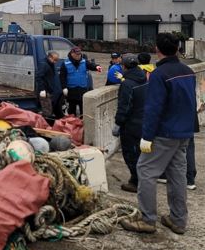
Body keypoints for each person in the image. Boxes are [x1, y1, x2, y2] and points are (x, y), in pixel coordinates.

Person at [121, 33, 196, 235]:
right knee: (177, 174)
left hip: (165, 132)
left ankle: (147, 220)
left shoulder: (159, 74)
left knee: (145, 170)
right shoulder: (188, 71)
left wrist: (147, 136)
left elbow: (153, 108)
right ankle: (178, 220)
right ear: (178, 49)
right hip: (185, 132)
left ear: (157, 49)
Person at [111, 54, 148, 193]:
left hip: (131, 125)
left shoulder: (127, 84)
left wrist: (118, 124)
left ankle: (136, 181)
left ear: (124, 66)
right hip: (144, 122)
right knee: (141, 153)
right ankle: (139, 180)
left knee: (130, 154)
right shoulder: (144, 78)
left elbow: (124, 107)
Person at [60, 46, 102, 115]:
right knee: (72, 109)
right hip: (71, 90)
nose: (78, 56)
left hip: (82, 89)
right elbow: (62, 77)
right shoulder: (65, 63)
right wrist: (64, 87)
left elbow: (91, 65)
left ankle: (84, 123)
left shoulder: (84, 61)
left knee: (84, 109)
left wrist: (96, 67)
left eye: (79, 54)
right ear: (72, 54)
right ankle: (72, 123)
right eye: (77, 54)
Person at [36, 51, 65, 119]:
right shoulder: (44, 64)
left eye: (57, 60)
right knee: (47, 112)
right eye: (54, 60)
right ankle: (44, 125)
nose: (55, 62)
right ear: (49, 57)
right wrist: (42, 89)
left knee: (49, 110)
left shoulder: (50, 64)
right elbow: (39, 77)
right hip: (45, 91)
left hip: (49, 90)